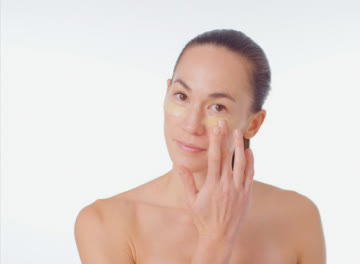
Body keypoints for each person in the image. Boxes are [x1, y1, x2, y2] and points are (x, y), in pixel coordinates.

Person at [74, 29, 326, 264]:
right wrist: (216, 240)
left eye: (218, 107)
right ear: (166, 93)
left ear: (253, 124)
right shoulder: (105, 223)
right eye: (182, 96)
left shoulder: (298, 217)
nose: (191, 125)